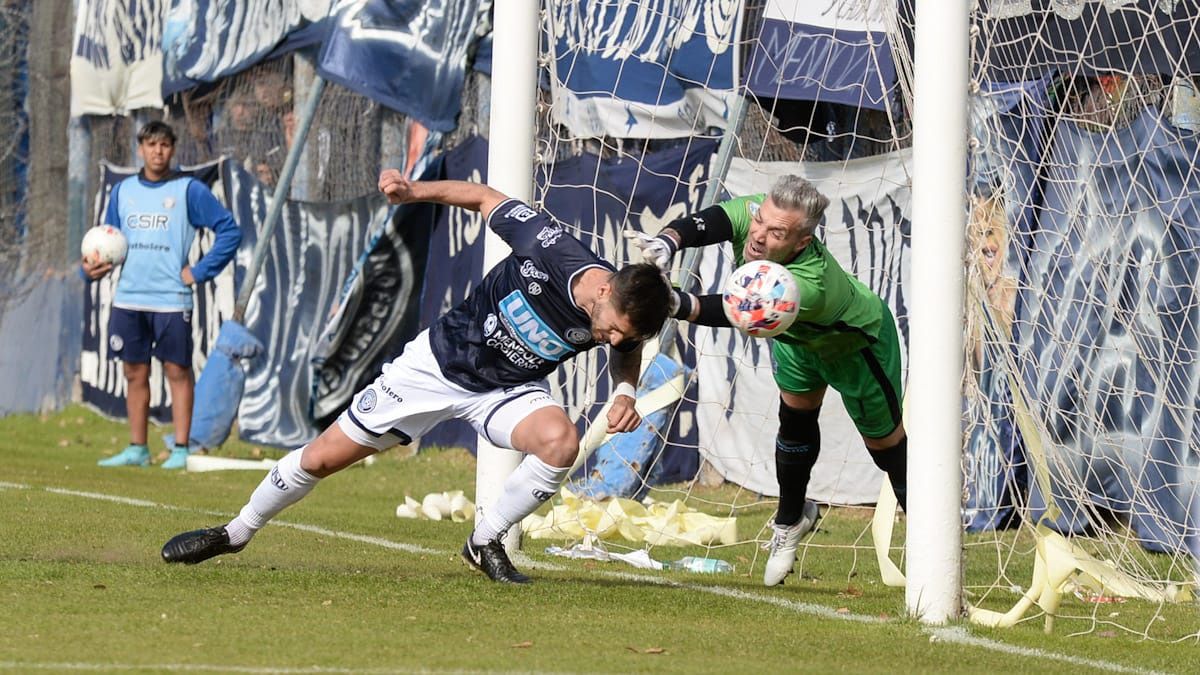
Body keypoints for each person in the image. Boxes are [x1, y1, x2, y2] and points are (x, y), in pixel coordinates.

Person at [160, 173, 672, 583]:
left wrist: (626, 387)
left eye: (620, 336)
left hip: (508, 389)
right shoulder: (550, 248)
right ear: (604, 290)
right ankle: (235, 532)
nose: (610, 339)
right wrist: (413, 192)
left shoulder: (623, 322)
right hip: (437, 366)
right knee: (320, 458)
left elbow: (628, 349)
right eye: (611, 328)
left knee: (560, 443)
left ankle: (484, 540)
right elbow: (482, 197)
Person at [627, 174, 908, 586]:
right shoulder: (761, 216)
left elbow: (741, 309)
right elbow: (717, 220)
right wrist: (669, 240)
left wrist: (673, 303)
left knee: (885, 449)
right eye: (760, 220)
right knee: (793, 422)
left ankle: (930, 538)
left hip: (853, 346)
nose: (758, 235)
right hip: (796, 342)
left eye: (776, 232)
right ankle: (790, 521)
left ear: (802, 243)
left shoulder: (807, 285)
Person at [82, 121, 242, 469]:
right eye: (151, 144)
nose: (158, 151)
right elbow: (107, 241)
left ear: (173, 149)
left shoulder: (188, 190)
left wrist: (199, 271)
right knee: (134, 374)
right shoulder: (122, 192)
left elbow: (229, 230)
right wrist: (91, 267)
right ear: (140, 148)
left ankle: (181, 449)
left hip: (171, 300)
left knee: (177, 372)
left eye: (165, 145)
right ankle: (137, 448)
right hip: (129, 299)